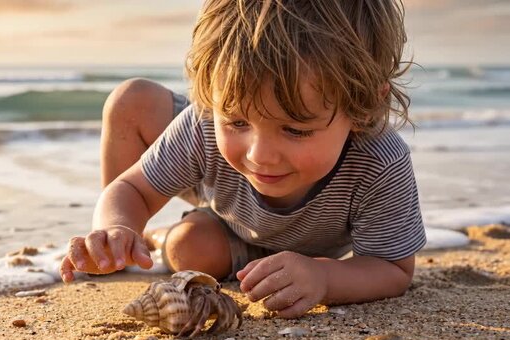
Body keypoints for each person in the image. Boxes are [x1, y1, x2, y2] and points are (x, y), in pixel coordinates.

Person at [60, 0, 426, 318]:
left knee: (189, 250)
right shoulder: (204, 125)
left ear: (365, 107)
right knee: (132, 100)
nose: (259, 156)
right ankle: (125, 248)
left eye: (295, 130)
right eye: (236, 121)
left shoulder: (379, 162)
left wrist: (324, 277)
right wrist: (116, 226)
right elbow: (132, 188)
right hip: (225, 187)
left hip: (286, 243)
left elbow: (392, 268)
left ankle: (164, 238)